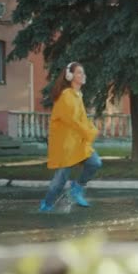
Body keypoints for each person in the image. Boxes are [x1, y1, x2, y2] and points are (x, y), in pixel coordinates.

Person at [39, 62, 102, 212]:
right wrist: (89, 132)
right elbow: (72, 120)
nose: (83, 75)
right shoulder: (66, 95)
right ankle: (46, 205)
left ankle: (76, 188)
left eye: (83, 72)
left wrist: (91, 129)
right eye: (79, 72)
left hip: (77, 141)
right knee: (60, 180)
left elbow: (82, 118)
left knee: (95, 163)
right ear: (70, 76)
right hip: (65, 144)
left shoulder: (77, 95)